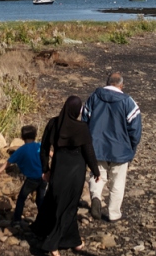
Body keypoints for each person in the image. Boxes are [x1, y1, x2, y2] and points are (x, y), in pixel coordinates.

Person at [32, 96, 101, 256]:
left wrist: (45, 169)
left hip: (58, 169)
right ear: (77, 111)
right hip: (76, 171)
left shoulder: (53, 123)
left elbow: (44, 148)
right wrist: (96, 171)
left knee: (57, 202)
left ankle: (74, 241)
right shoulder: (81, 128)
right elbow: (88, 152)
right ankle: (52, 244)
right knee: (69, 207)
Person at [82, 72, 142, 222]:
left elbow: (84, 120)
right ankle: (114, 214)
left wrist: (86, 144)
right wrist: (132, 147)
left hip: (96, 147)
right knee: (117, 182)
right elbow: (135, 128)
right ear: (121, 85)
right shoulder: (128, 102)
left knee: (97, 175)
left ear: (107, 82)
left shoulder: (94, 97)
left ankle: (96, 196)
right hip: (120, 149)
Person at [0, 125, 47, 225]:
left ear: (22, 137)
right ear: (35, 136)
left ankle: (17, 220)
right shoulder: (39, 145)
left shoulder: (21, 150)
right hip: (43, 178)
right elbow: (51, 153)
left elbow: (8, 163)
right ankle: (44, 220)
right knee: (40, 199)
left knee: (21, 198)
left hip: (31, 180)